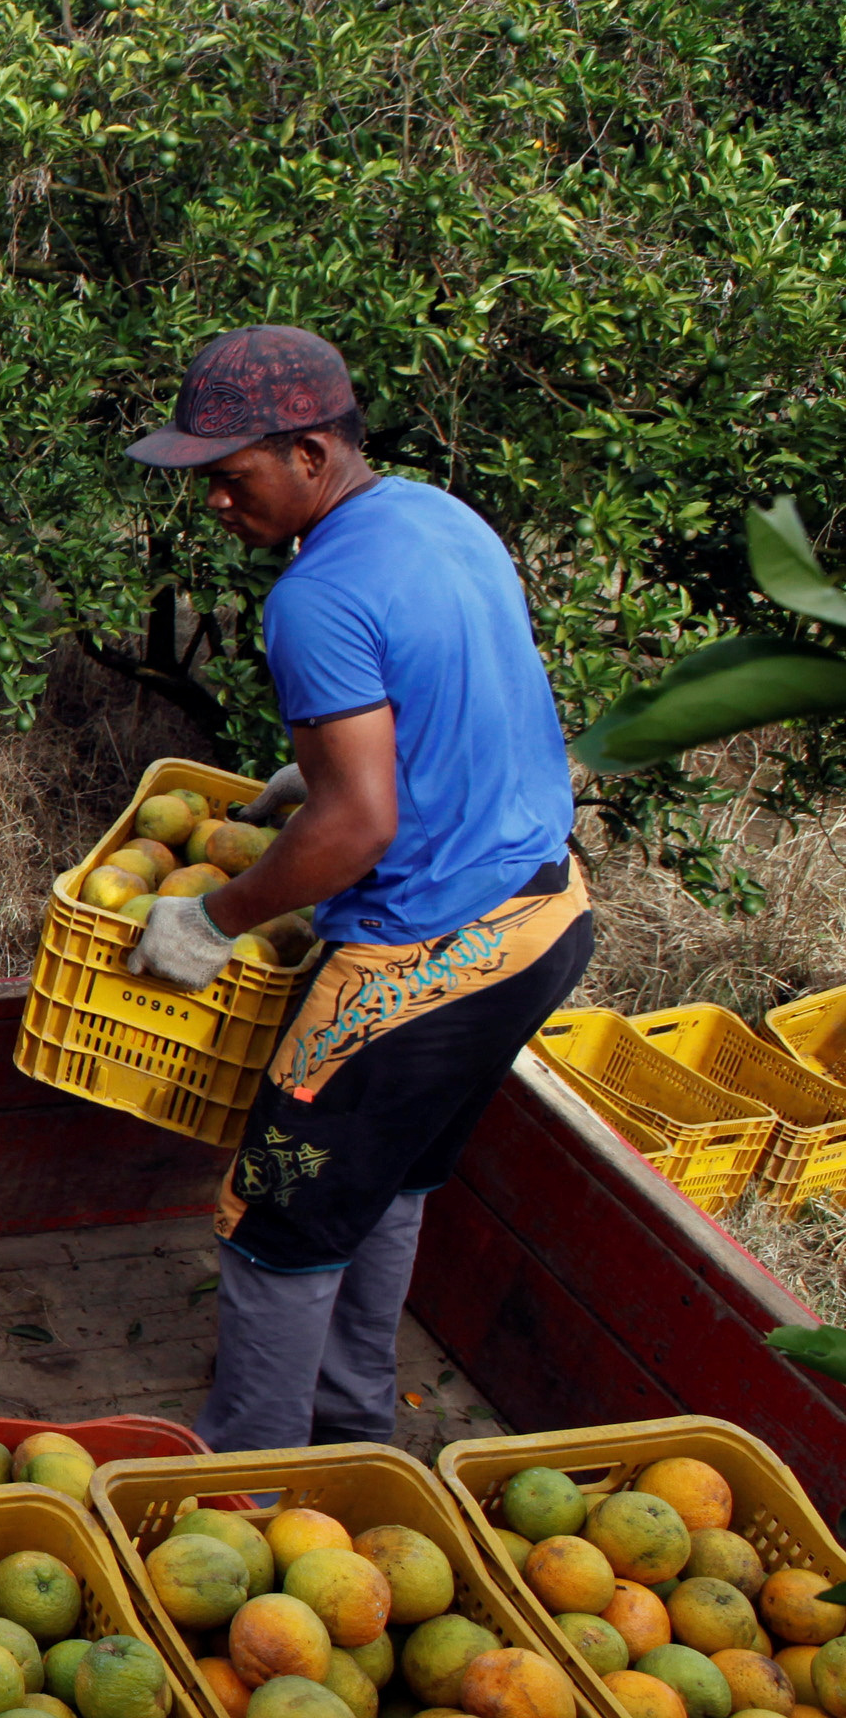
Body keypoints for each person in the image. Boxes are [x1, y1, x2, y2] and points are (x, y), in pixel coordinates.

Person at [120, 325, 590, 1453]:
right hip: (543, 919)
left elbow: (356, 826)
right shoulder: (434, 515)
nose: (215, 506)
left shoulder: (314, 596)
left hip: (419, 963)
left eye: (229, 478)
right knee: (381, 1185)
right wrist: (325, 768)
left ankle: (248, 1482)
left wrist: (210, 919)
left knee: (273, 1215)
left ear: (310, 453)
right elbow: (461, 687)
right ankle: (348, 1430)